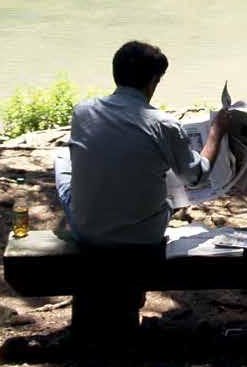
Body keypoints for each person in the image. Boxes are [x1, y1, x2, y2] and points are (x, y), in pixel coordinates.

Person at [56, 39, 230, 246]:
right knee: (163, 169)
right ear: (154, 80)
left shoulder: (83, 111)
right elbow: (196, 178)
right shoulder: (164, 124)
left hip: (85, 231)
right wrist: (215, 133)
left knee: (62, 158)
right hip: (144, 236)